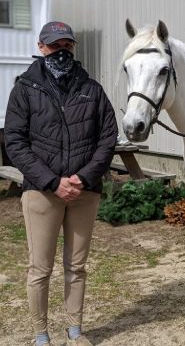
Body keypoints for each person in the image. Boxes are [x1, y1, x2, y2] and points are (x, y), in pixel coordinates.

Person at [4, 21, 118, 346]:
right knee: (40, 269)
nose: (61, 52)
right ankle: (41, 336)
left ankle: (75, 332)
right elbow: (14, 141)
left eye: (67, 45)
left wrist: (82, 178)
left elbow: (108, 138)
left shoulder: (92, 89)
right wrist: (52, 181)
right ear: (41, 48)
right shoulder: (25, 88)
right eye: (55, 46)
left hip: (84, 192)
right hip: (42, 193)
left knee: (77, 266)